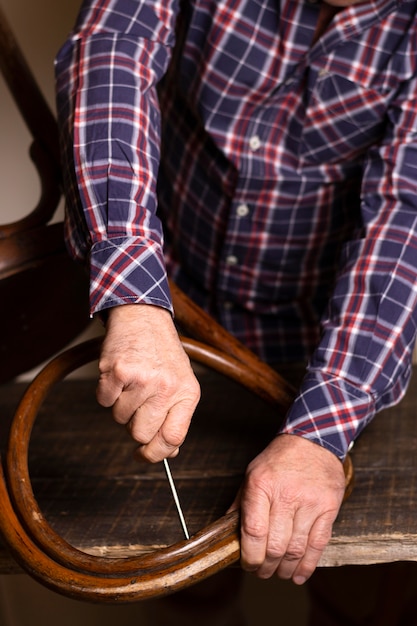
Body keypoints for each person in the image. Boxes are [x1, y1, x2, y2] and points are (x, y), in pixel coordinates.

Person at [55, 0, 417, 622]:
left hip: (328, 347)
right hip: (170, 314)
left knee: (352, 578)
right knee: (185, 586)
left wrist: (320, 435)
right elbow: (114, 45)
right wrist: (137, 295)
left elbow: (404, 217)